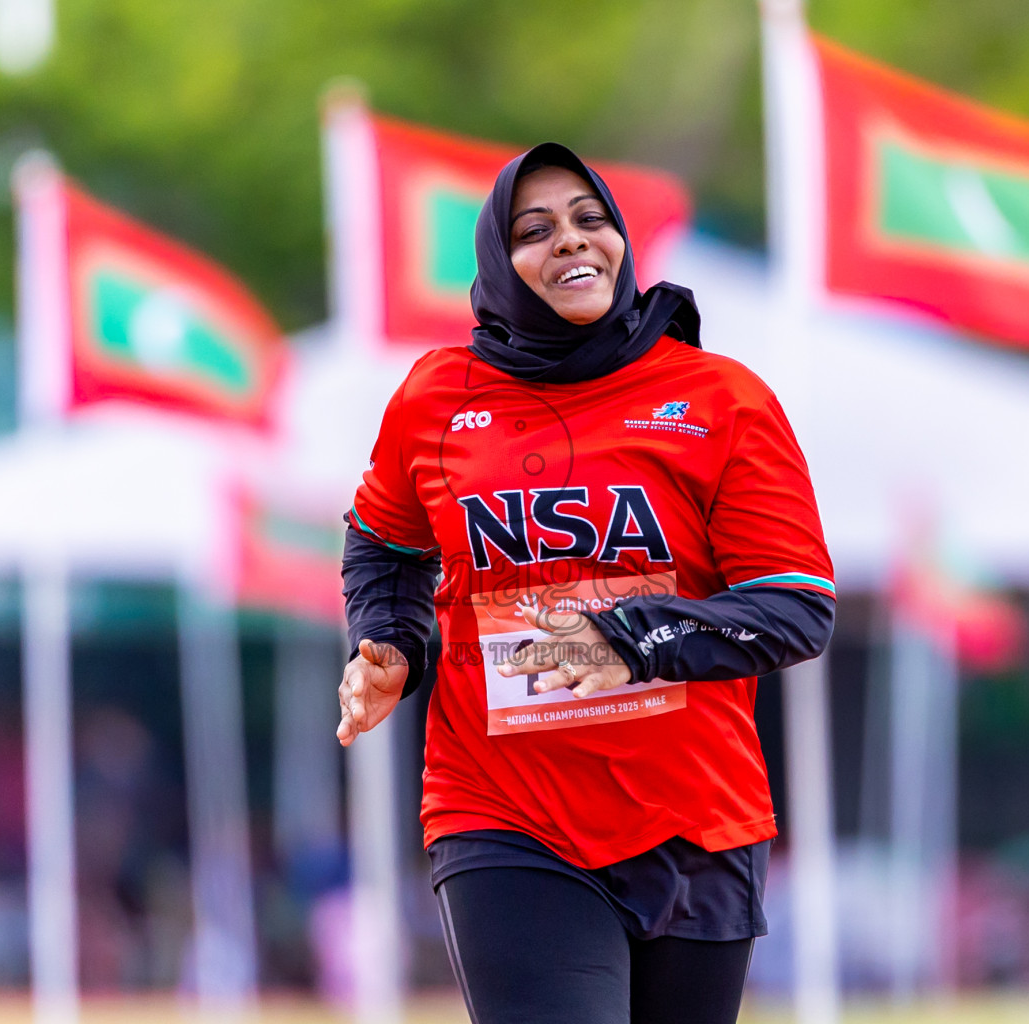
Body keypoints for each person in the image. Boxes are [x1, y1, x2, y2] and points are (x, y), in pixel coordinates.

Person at [338, 142, 835, 1024]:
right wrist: (392, 642)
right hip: (504, 812)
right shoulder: (435, 398)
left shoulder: (721, 399)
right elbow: (383, 542)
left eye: (588, 220)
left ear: (620, 242)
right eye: (535, 231)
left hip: (695, 823)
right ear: (499, 260)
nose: (569, 242)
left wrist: (628, 641)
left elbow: (797, 607)